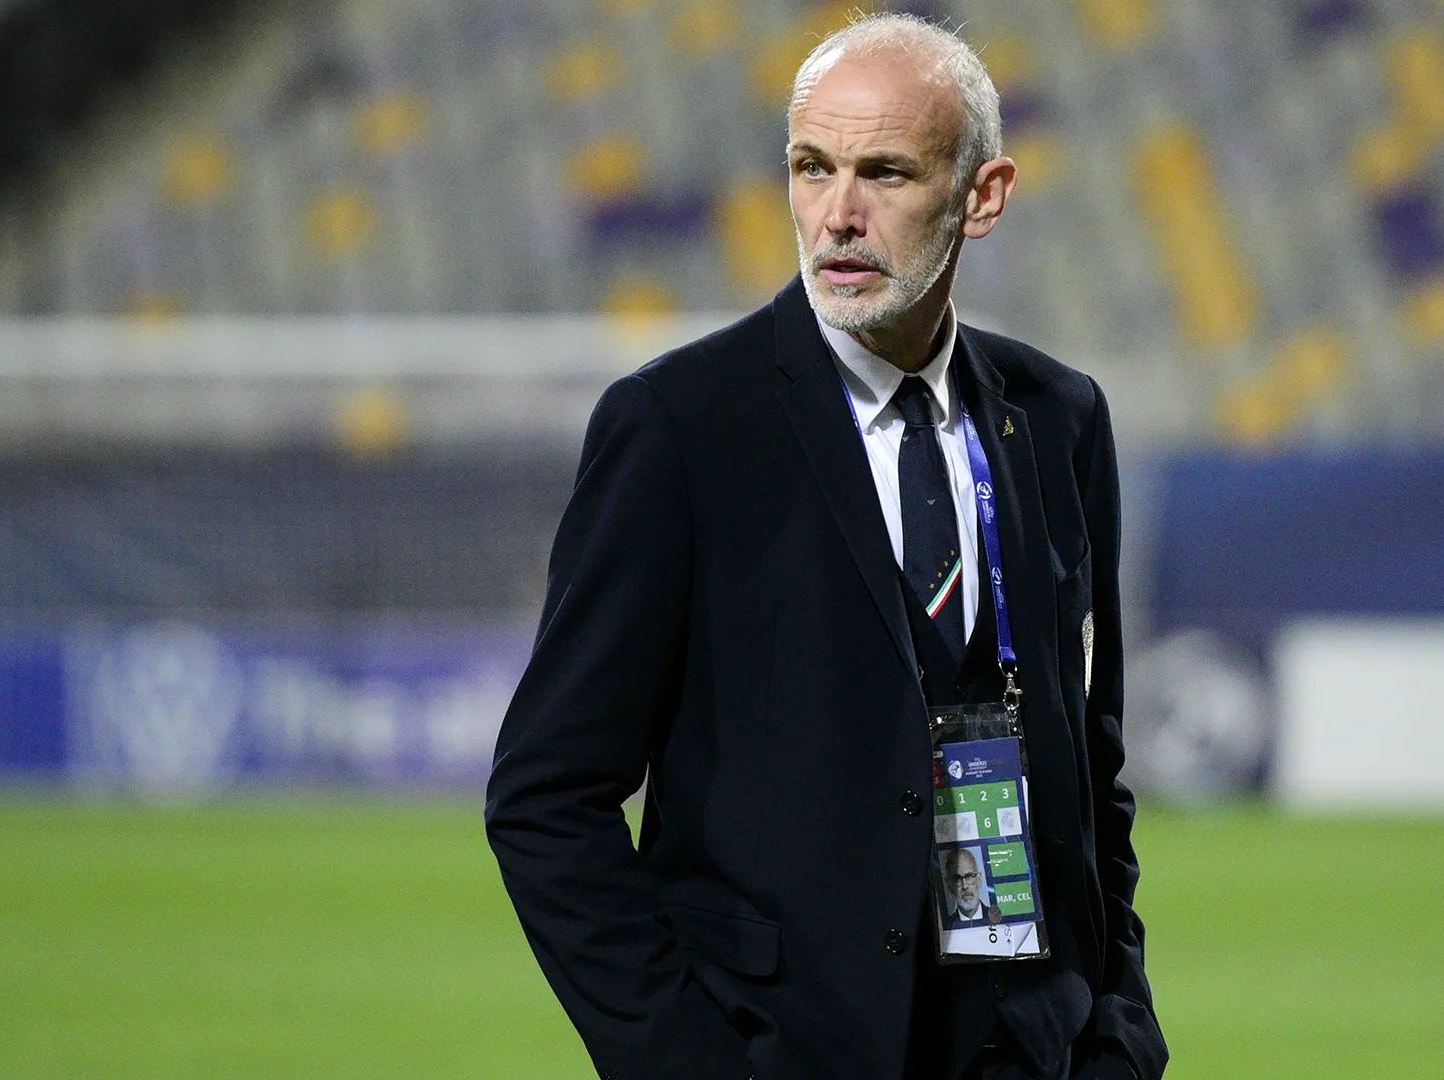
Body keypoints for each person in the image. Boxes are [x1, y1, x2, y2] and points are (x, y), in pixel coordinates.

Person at [486, 13, 1164, 1080]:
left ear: (982, 196)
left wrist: (1118, 1032)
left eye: (885, 173)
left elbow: (1092, 770)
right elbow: (545, 797)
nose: (838, 215)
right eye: (812, 167)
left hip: (1028, 1050)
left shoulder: (1058, 418)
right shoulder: (682, 426)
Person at [943, 848, 999, 926]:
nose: (965, 886)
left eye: (969, 876)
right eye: (957, 879)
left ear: (979, 880)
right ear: (950, 886)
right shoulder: (947, 926)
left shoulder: (999, 920)